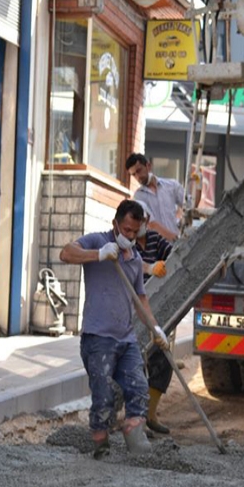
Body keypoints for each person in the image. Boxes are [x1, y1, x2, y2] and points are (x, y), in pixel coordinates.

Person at [60, 199, 169, 458]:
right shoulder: (98, 241)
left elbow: (140, 298)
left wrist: (155, 328)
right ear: (115, 224)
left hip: (126, 338)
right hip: (98, 339)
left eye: (135, 232)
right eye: (126, 230)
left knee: (139, 388)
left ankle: (135, 439)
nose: (130, 236)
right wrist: (97, 255)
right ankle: (100, 444)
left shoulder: (134, 258)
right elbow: (65, 253)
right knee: (104, 397)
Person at [133, 200, 174, 435]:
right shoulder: (126, 243)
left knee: (163, 360)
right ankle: (135, 417)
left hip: (156, 310)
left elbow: (174, 257)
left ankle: (150, 414)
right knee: (136, 363)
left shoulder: (156, 240)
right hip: (133, 310)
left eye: (142, 220)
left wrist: (165, 265)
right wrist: (149, 268)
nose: (139, 226)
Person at [125, 153, 184, 242]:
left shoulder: (172, 185)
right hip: (159, 248)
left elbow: (190, 205)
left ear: (148, 166)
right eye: (134, 175)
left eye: (139, 171)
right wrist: (175, 239)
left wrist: (198, 185)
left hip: (177, 243)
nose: (138, 177)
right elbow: (151, 224)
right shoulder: (138, 197)